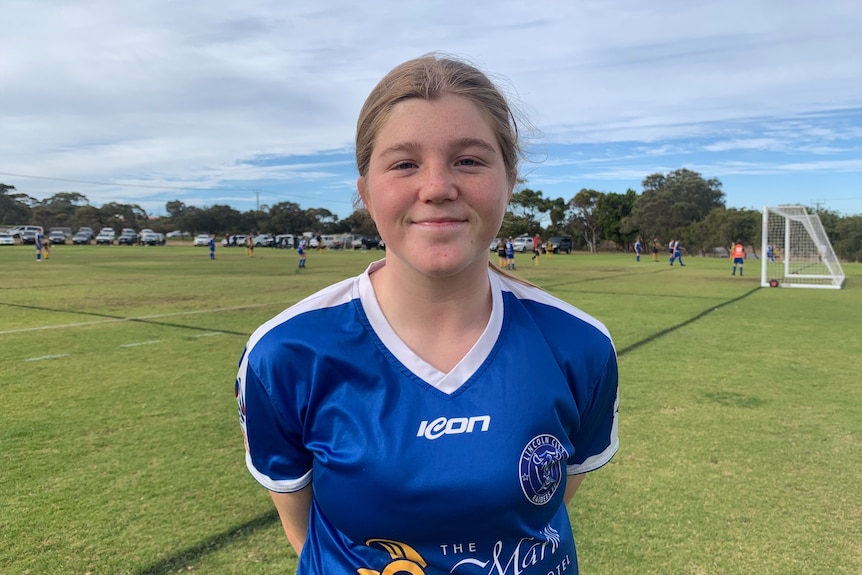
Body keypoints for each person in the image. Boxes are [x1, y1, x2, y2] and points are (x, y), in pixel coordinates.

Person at [235, 54, 619, 575]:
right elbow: (301, 527)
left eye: (468, 160)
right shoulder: (285, 355)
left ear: (509, 180)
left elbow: (551, 505)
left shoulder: (580, 347)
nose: (437, 187)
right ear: (366, 191)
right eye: (404, 163)